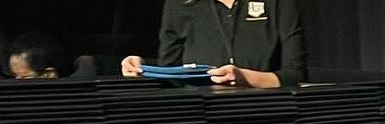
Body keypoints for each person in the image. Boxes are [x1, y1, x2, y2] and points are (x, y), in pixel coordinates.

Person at [120, 0, 305, 88]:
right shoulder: (179, 5)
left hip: (264, 119)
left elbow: (294, 75)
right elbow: (171, 77)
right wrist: (144, 70)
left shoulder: (278, 3)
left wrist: (244, 77)